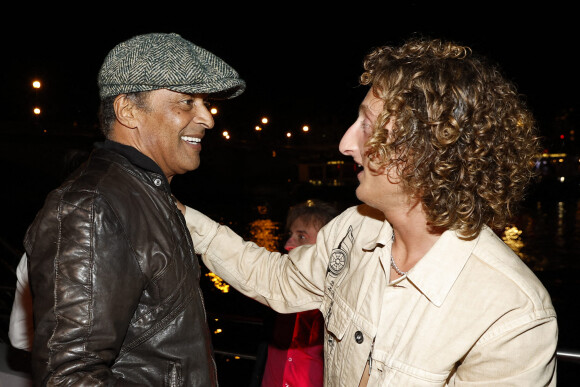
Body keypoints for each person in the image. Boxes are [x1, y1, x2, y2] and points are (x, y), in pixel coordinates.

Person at [181, 37, 558, 385]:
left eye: (367, 125)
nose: (346, 143)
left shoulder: (512, 315)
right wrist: (182, 216)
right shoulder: (355, 228)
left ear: (424, 149)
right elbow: (277, 279)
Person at [23, 32, 245, 385]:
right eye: (187, 102)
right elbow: (68, 377)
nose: (208, 118)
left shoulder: (146, 195)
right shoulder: (92, 208)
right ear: (128, 110)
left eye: (205, 103)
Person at [258, 200, 338, 387]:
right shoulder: (277, 288)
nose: (287, 244)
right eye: (290, 235)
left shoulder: (341, 300)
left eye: (301, 237)